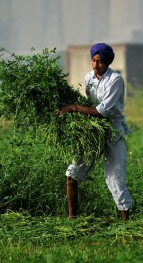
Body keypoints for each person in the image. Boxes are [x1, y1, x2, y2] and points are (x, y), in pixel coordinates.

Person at [57, 42, 132, 220]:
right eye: (93, 61)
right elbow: (90, 105)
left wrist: (73, 107)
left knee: (115, 178)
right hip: (94, 129)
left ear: (107, 63)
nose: (96, 65)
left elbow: (101, 110)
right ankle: (72, 218)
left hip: (112, 129)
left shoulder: (115, 80)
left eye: (100, 62)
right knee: (73, 172)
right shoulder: (89, 77)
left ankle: (126, 223)